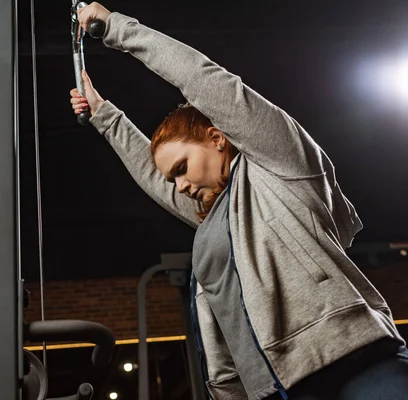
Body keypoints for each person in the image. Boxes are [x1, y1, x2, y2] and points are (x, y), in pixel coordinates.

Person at [69, 2, 408, 400]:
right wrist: (104, 115)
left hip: (349, 356)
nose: (178, 186)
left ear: (217, 138)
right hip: (271, 388)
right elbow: (151, 176)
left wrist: (115, 28)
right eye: (172, 178)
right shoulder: (214, 214)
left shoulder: (280, 166)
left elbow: (201, 79)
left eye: (182, 168)